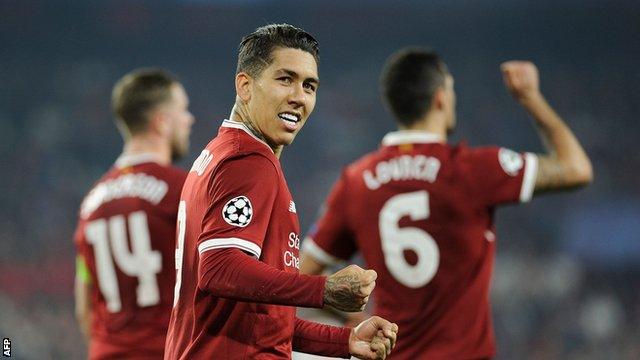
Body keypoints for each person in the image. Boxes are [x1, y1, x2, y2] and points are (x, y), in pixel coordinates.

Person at [300, 48, 593, 359]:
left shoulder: (356, 181)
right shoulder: (473, 169)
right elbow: (576, 169)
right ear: (441, 98)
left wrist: (350, 321)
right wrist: (530, 97)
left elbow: (303, 277)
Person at [164, 24, 398, 360]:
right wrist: (323, 290)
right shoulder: (249, 161)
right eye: (284, 79)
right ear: (245, 86)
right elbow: (218, 269)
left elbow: (257, 319)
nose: (298, 97)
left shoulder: (218, 154)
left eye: (309, 85)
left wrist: (344, 342)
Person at [74, 68, 194, 359]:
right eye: (183, 110)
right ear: (162, 122)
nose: (190, 119)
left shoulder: (91, 204)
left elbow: (84, 307)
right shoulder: (184, 190)